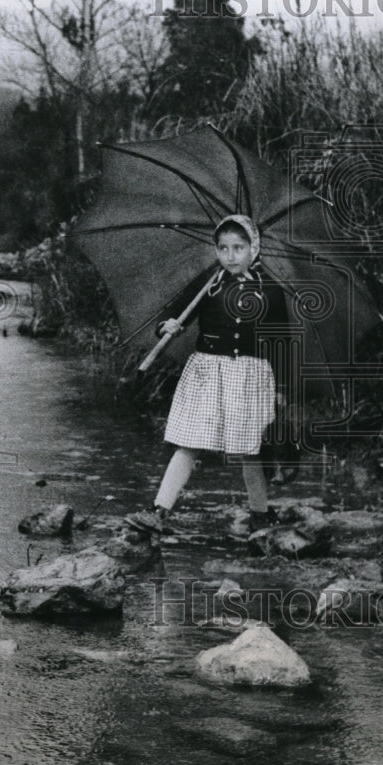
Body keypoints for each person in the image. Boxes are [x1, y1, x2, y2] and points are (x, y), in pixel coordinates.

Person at [126, 214, 289, 537]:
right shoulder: (208, 285)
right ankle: (159, 510)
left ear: (254, 249)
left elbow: (280, 341)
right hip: (207, 372)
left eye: (238, 248)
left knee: (249, 448)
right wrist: (168, 324)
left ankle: (260, 513)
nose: (230, 256)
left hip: (250, 376)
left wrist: (281, 387)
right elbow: (175, 310)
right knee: (188, 443)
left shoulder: (269, 290)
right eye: (223, 248)